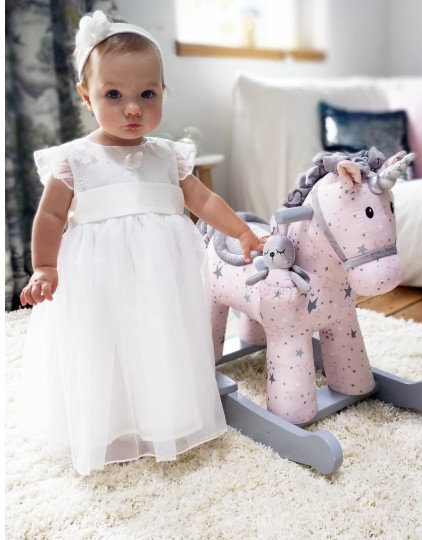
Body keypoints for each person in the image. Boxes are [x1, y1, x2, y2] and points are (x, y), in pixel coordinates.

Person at [19, 10, 266, 475]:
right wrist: (45, 266)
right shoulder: (74, 159)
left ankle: (164, 414)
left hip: (160, 273)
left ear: (162, 93)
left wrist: (241, 231)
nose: (132, 108)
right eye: (114, 95)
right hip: (99, 275)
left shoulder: (169, 156)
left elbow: (204, 201)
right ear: (86, 96)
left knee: (160, 337)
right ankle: (111, 421)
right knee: (104, 343)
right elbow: (50, 215)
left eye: (146, 95)